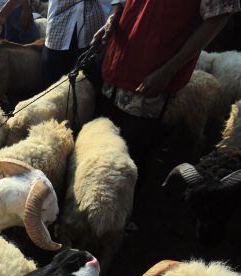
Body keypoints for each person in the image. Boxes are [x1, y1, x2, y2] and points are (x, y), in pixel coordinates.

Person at [93, 0, 239, 176]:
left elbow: (218, 17)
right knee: (100, 149)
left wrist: (168, 70)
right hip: (116, 66)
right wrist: (114, 16)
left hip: (150, 77)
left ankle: (128, 201)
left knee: (129, 160)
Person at [0, 0, 111, 87]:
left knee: (87, 85)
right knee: (51, 86)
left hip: (93, 33)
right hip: (59, 32)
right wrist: (2, 14)